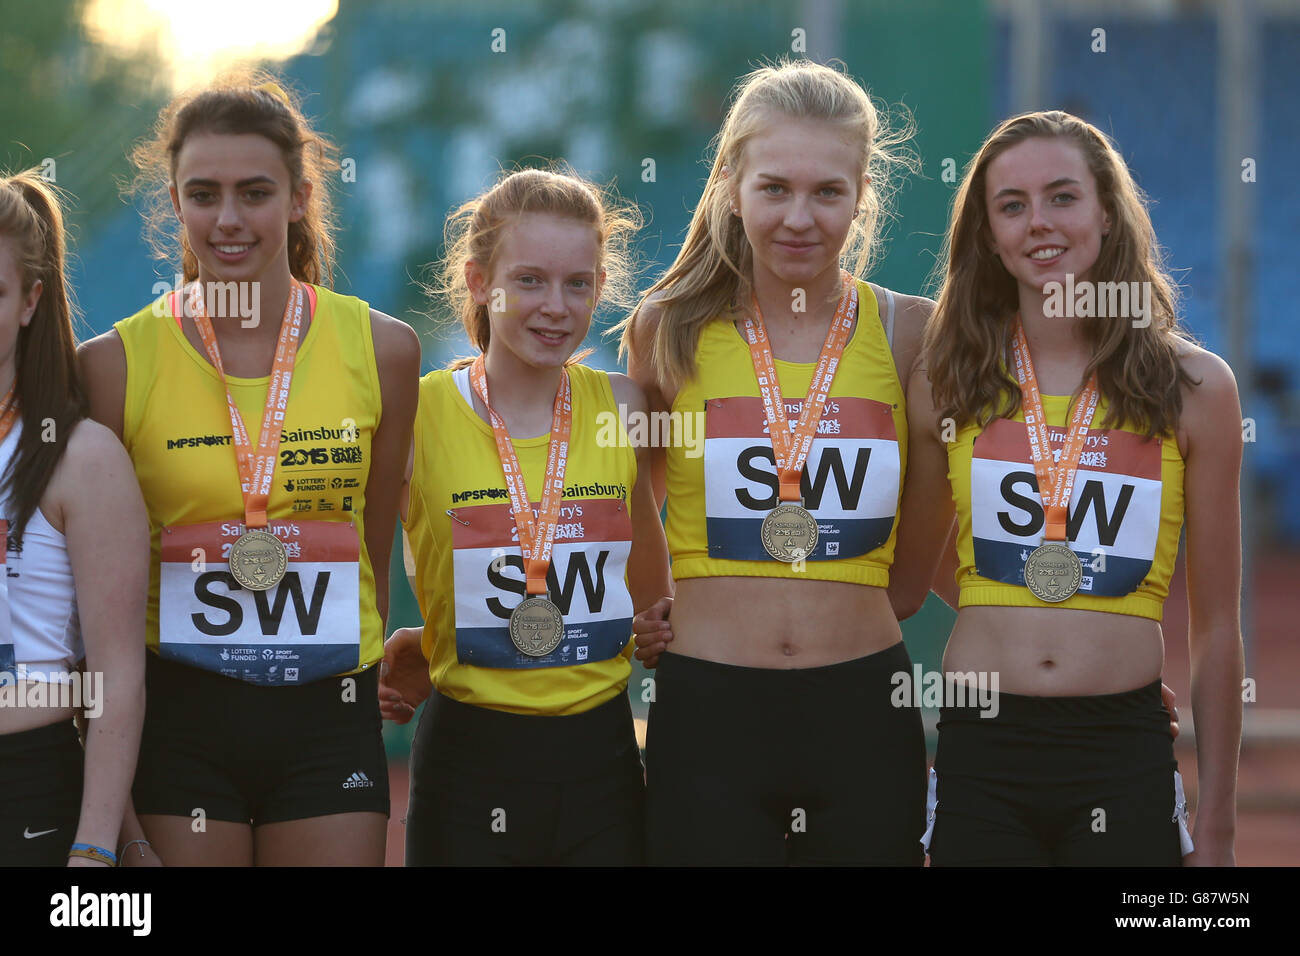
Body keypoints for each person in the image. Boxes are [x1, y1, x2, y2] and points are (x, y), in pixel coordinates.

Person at [79, 74, 420, 866]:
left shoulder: (383, 350)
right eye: (204, 194)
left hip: (328, 718)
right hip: (179, 726)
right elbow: (93, 594)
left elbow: (371, 547)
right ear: (175, 203)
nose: (228, 220)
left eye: (254, 192)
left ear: (299, 198)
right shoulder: (113, 366)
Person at [891, 110, 1241, 865]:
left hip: (1121, 743)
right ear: (987, 234)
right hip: (982, 738)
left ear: (1107, 212)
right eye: (1011, 206)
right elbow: (910, 577)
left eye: (1062, 197)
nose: (1038, 223)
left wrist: (1217, 827)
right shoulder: (947, 382)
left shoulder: (1195, 388)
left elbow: (1215, 628)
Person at [620, 59, 935, 865]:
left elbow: (924, 547)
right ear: (732, 185)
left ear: (863, 192)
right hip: (708, 707)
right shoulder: (666, 330)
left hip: (864, 702)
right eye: (774, 189)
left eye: (828, 192)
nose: (801, 218)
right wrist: (649, 605)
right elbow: (633, 507)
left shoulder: (910, 332)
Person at [379, 167, 673, 865]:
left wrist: (659, 622)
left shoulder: (628, 409)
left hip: (600, 759)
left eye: (578, 284)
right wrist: (423, 641)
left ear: (601, 288)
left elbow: (650, 578)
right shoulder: (416, 414)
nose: (556, 307)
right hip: (467, 761)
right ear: (481, 283)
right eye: (531, 280)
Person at [0, 169, 148, 867]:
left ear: (30, 301)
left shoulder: (80, 456)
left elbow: (115, 676)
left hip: (29, 790)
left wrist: (95, 848)